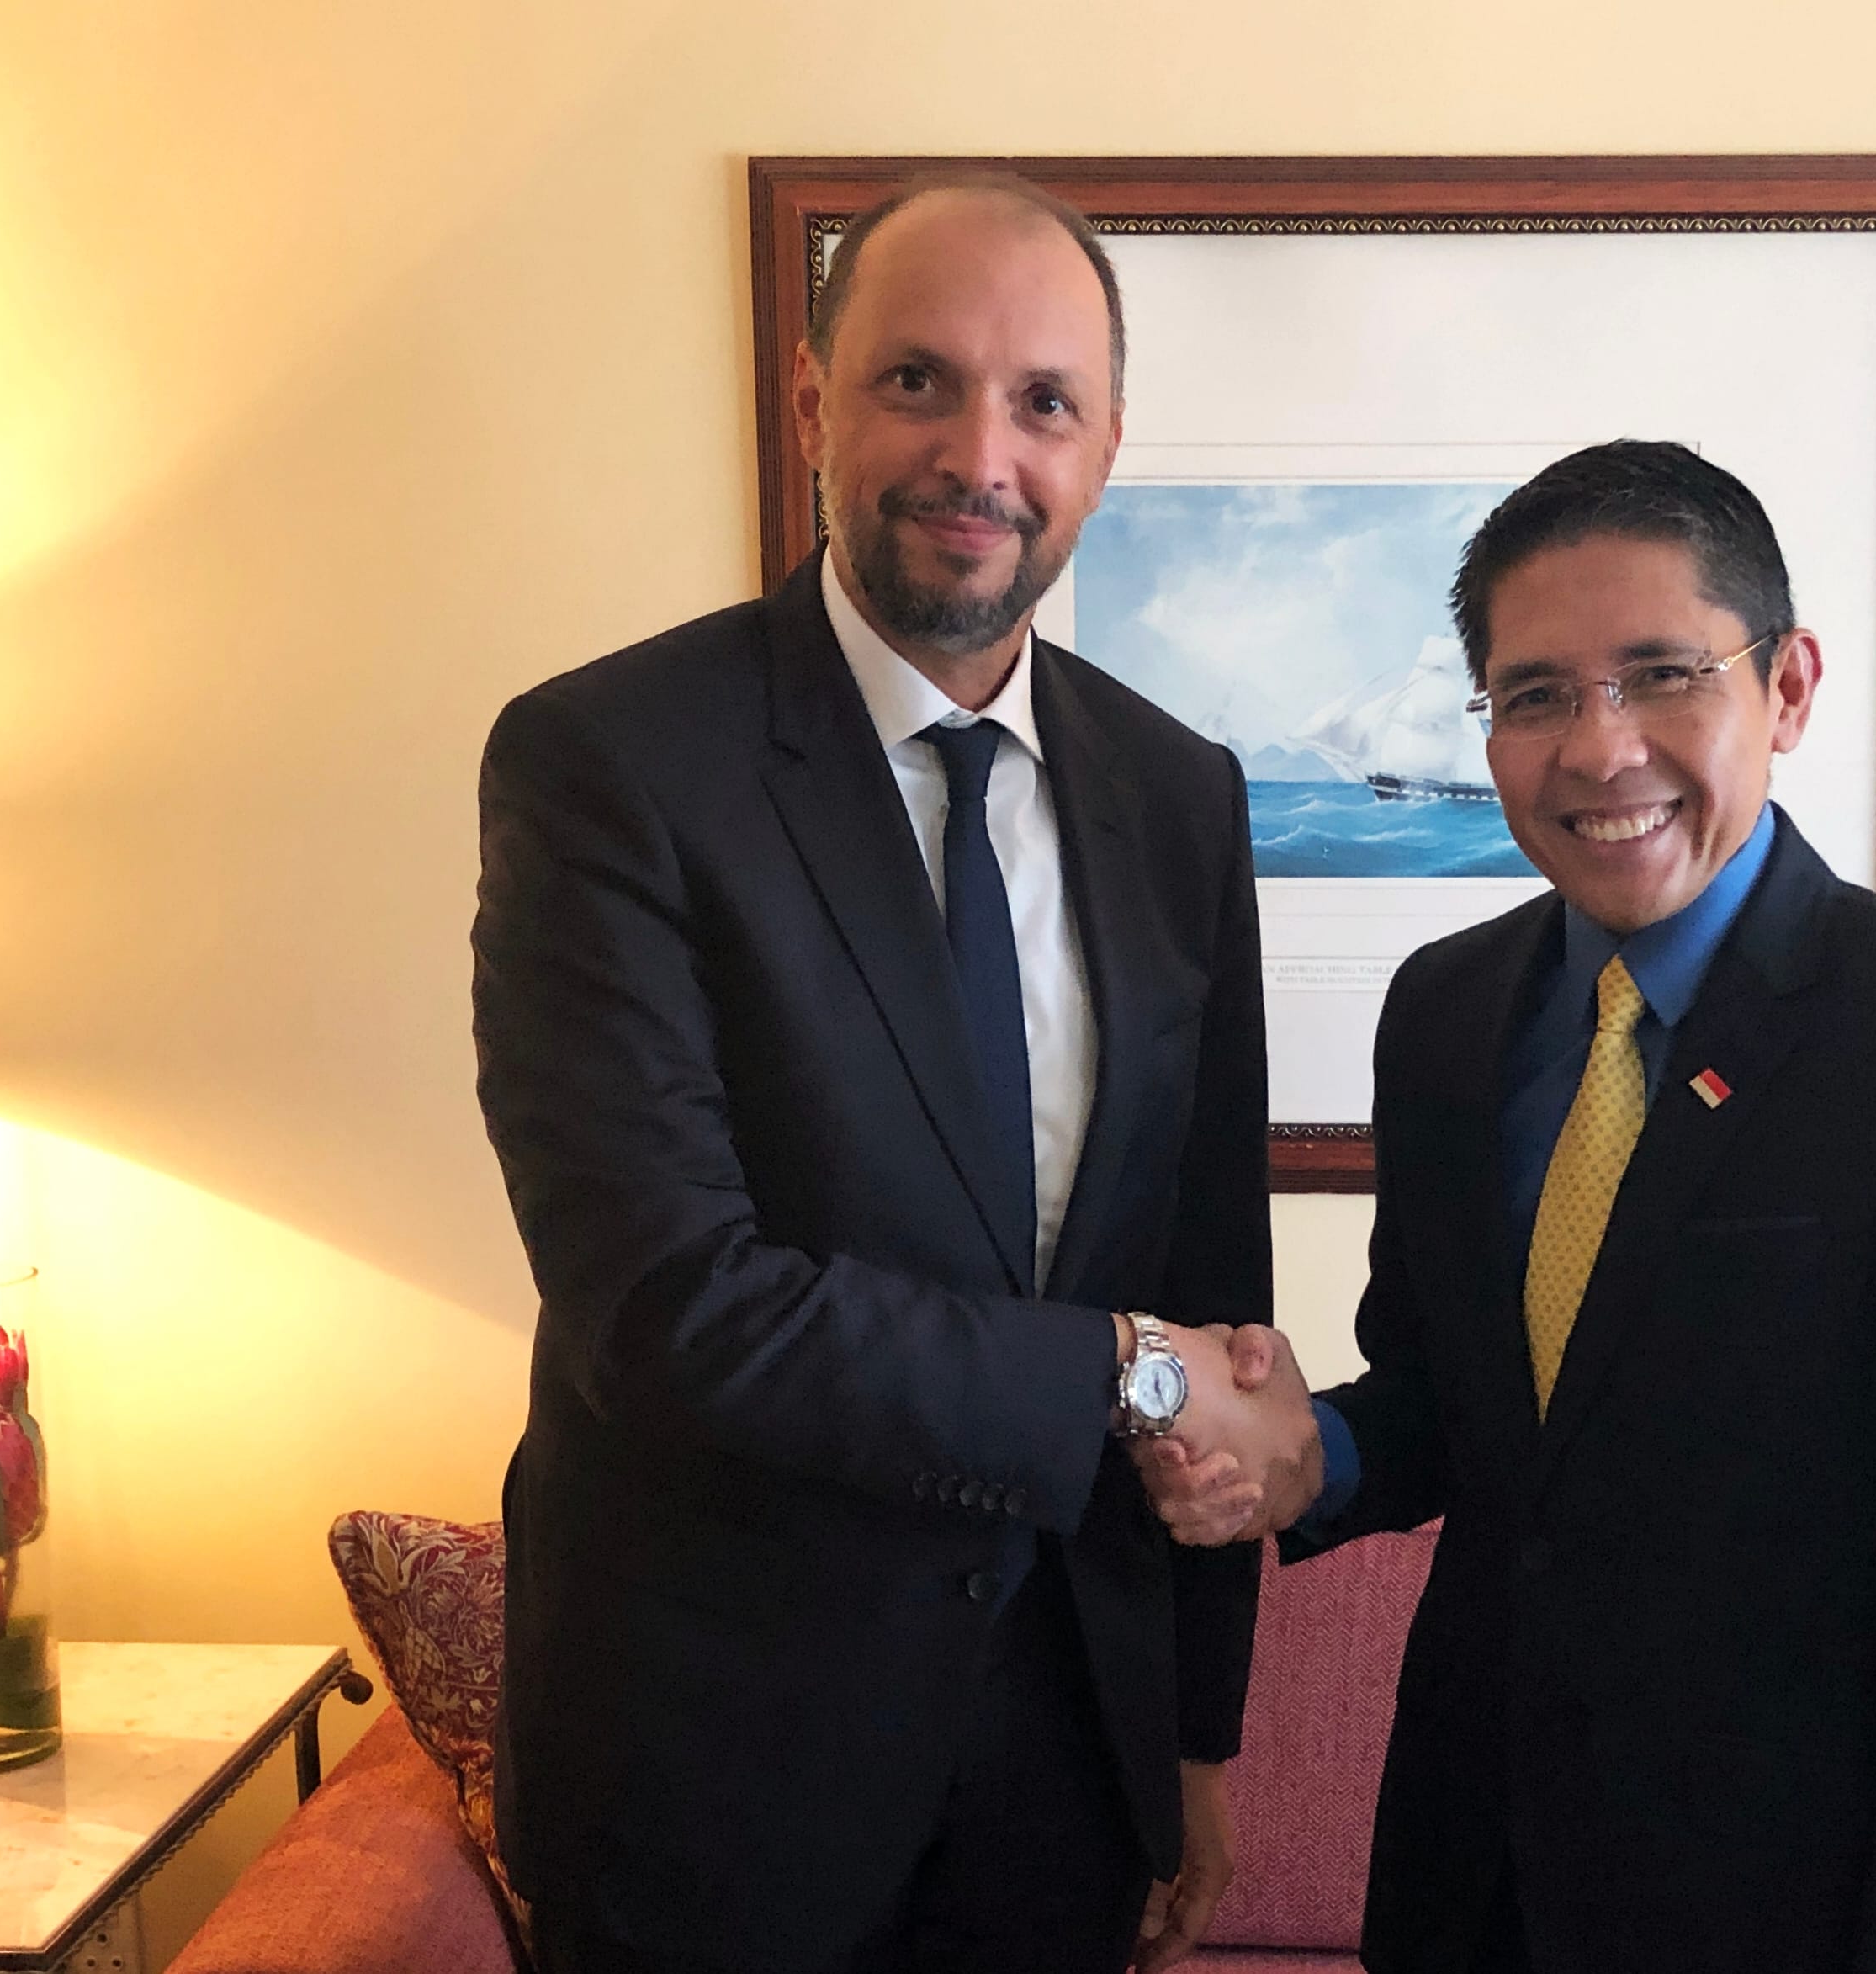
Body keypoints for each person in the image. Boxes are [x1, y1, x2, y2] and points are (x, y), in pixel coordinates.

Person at [472, 173, 1312, 1974]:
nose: (978, 456)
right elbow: (671, 1306)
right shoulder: (608, 765)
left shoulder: (1181, 796)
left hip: (1064, 1776)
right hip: (712, 1774)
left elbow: (1206, 1282)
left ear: (1103, 449)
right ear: (811, 405)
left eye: (1043, 403)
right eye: (917, 381)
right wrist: (1110, 1371)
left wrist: (1192, 1736)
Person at [1143, 441, 1876, 1972]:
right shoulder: (1450, 1016)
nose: (1599, 749)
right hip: (1469, 1871)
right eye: (1535, 695)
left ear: (1786, 687)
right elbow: (1460, 1403)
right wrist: (1301, 1454)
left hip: (1774, 1907)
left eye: (1661, 673)